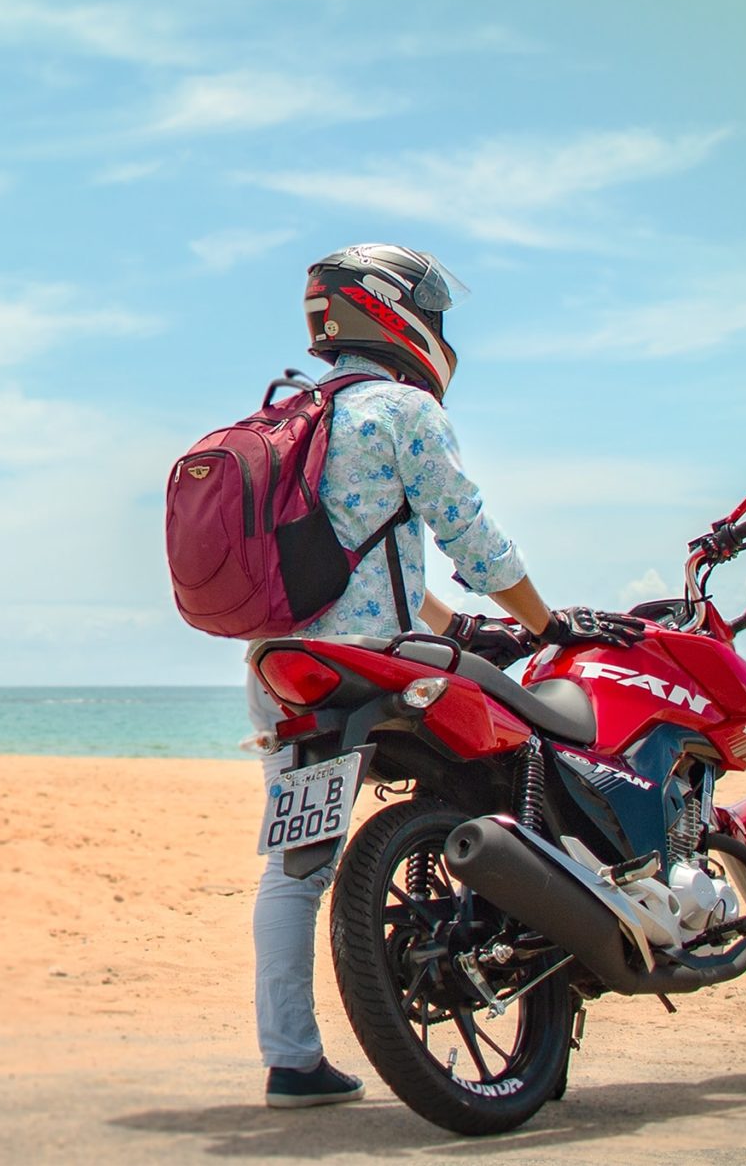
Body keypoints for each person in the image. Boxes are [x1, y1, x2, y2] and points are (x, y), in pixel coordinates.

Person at [251, 243, 646, 1109]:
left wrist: (454, 625)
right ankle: (539, 982)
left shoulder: (292, 415)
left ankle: (291, 1059)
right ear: (393, 311)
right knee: (506, 798)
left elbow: (360, 556)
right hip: (382, 669)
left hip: (288, 668)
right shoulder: (399, 407)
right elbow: (469, 533)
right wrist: (544, 621)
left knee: (294, 871)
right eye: (432, 309)